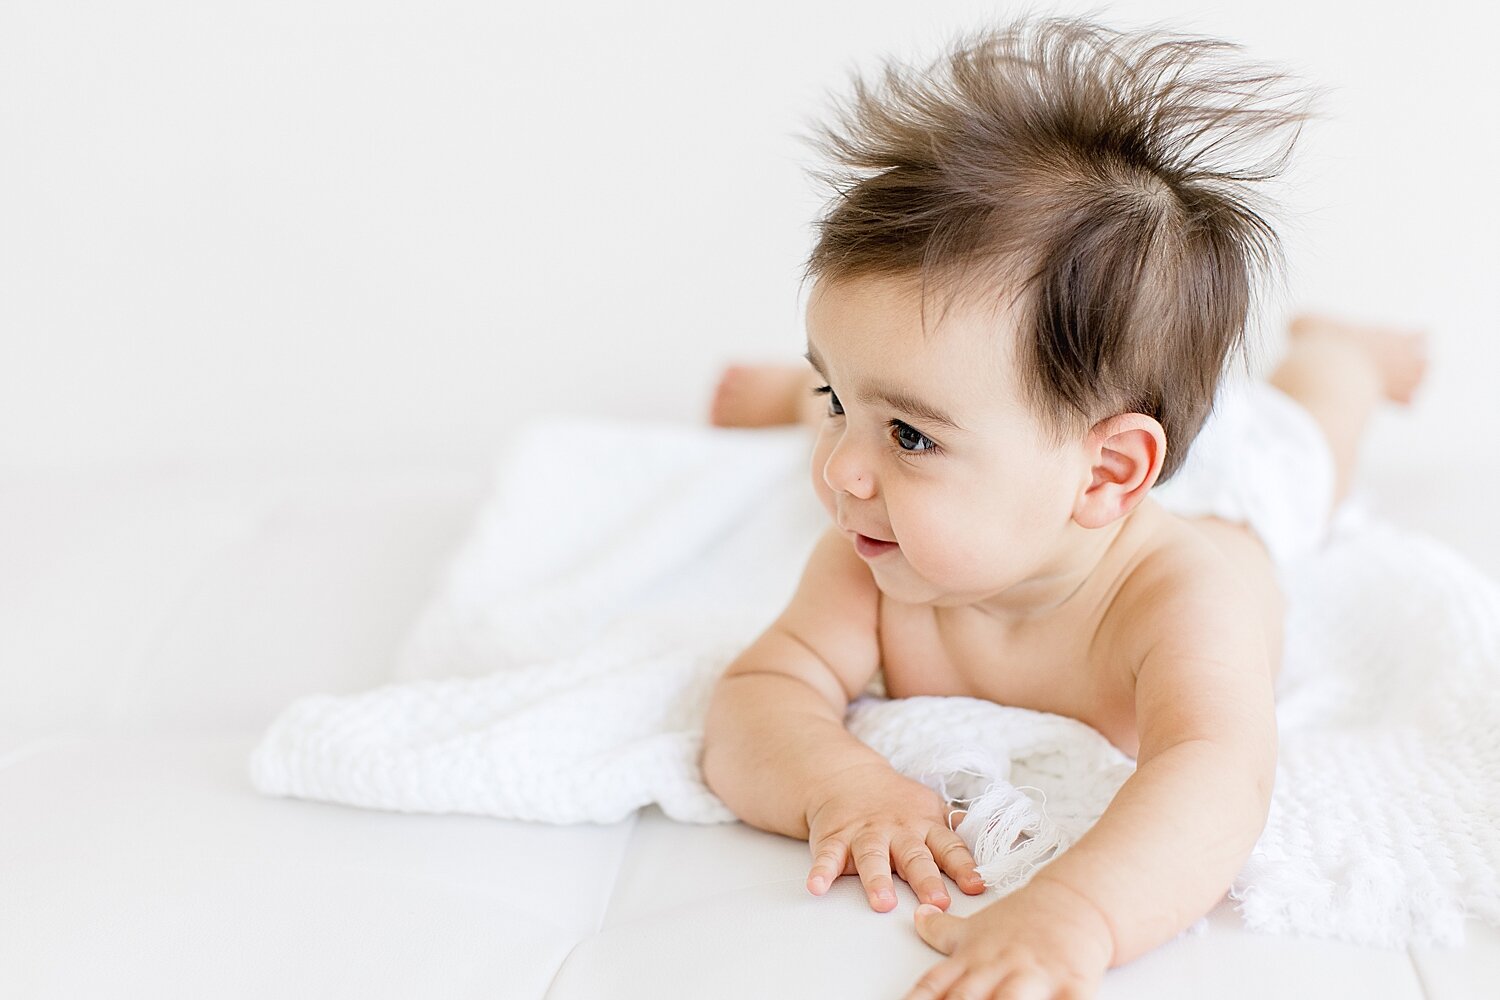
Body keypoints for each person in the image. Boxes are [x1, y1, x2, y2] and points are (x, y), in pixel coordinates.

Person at [698, 16, 1428, 1000]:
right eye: (831, 399)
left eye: (911, 437)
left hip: (1242, 481)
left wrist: (1075, 913)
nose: (843, 475)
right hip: (1090, 441)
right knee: (880, 404)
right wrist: (841, 786)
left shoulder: (1182, 599)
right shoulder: (877, 553)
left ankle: (1345, 349)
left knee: (1314, 431)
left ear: (1105, 474)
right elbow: (756, 699)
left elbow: (1216, 773)